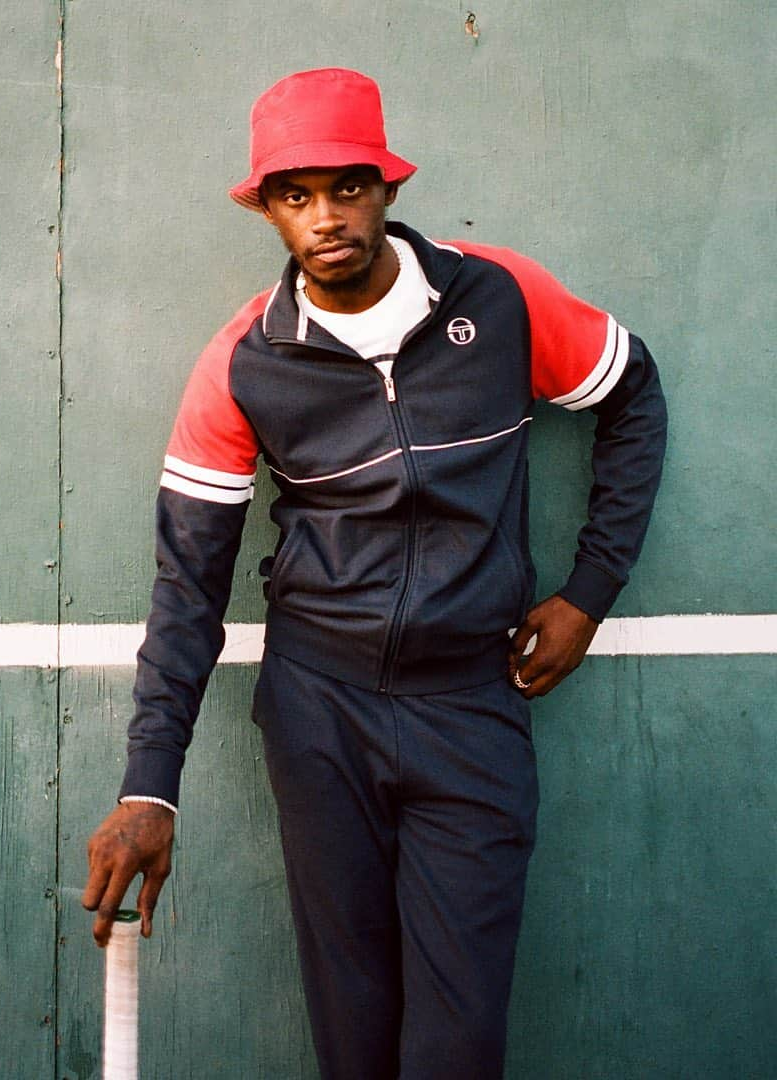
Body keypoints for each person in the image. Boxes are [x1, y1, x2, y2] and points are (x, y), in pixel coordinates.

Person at [82, 68, 667, 1079]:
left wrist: (590, 593)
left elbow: (633, 393)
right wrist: (150, 788)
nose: (325, 217)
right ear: (267, 208)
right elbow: (188, 589)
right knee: (353, 1045)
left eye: (346, 186)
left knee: (456, 1045)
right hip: (321, 714)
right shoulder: (242, 361)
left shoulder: (501, 296)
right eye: (295, 196)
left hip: (471, 707)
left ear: (388, 188)